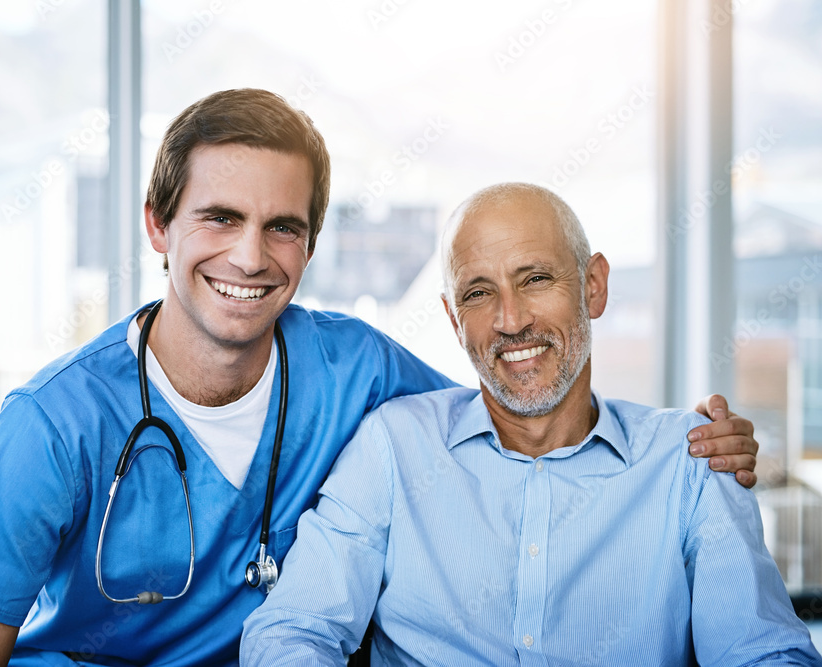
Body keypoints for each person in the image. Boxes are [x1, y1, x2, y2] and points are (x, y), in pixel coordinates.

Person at [0, 92, 759, 667]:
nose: (250, 255)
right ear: (157, 226)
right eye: (220, 217)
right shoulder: (52, 425)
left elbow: (517, 403)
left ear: (309, 248)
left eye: (282, 226)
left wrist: (701, 445)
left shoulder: (359, 373)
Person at [240, 183, 819, 665]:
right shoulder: (393, 445)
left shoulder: (691, 463)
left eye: (536, 279)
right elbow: (293, 632)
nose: (510, 319)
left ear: (593, 286)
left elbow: (762, 654)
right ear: (452, 317)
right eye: (478, 292)